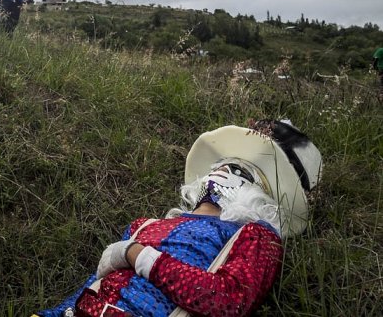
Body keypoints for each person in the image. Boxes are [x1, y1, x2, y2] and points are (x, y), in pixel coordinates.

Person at [34, 120, 322, 317]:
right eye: (222, 164)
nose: (222, 171)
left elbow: (228, 302)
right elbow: (93, 283)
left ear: (263, 197)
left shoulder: (256, 236)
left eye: (240, 172)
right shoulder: (145, 225)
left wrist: (138, 255)